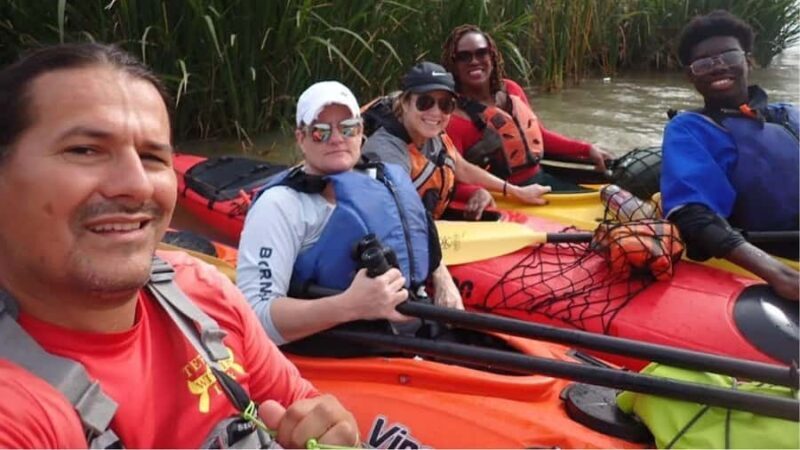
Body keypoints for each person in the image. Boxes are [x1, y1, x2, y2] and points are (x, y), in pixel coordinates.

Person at [0, 43, 358, 448]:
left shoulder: (206, 297)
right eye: (85, 150)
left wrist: (328, 432)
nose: (136, 186)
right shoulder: (15, 412)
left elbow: (306, 411)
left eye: (153, 157)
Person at [237, 80, 463, 346]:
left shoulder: (385, 179)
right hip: (340, 351)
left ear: (361, 132)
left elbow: (422, 237)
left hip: (411, 333)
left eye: (348, 128)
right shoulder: (280, 205)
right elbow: (255, 318)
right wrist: (350, 306)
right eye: (320, 131)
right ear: (301, 138)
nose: (336, 139)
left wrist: (443, 280)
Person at [660, 10, 799, 301]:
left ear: (748, 61)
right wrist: (779, 275)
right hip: (772, 256)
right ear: (690, 76)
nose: (718, 67)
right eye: (704, 63)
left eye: (729, 57)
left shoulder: (788, 115)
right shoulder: (690, 129)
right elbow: (693, 214)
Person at [362, 61, 551, 220]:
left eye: (445, 105)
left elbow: (460, 167)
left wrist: (515, 191)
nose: (436, 112)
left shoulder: (432, 132)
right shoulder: (386, 152)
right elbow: (393, 216)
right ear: (405, 103)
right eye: (425, 102)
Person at [441, 25, 612, 191]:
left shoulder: (512, 90)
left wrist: (587, 149)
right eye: (464, 56)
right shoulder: (453, 117)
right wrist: (475, 194)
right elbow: (454, 174)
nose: (474, 61)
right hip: (503, 198)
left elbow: (541, 136)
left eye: (481, 52)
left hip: (541, 180)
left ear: (491, 56)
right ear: (453, 64)